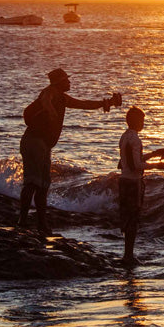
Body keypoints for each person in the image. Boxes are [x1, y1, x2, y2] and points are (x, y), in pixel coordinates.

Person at [19, 67, 121, 235]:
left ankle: (41, 224)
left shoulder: (62, 98)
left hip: (43, 145)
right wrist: (51, 112)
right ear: (60, 82)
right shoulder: (50, 91)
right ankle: (23, 221)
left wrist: (106, 103)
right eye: (67, 80)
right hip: (34, 143)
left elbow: (84, 104)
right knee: (32, 183)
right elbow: (45, 100)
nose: (69, 82)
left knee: (43, 186)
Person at [118, 106, 164, 267]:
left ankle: (127, 254)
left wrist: (154, 153)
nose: (143, 123)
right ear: (136, 121)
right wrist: (156, 166)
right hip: (133, 183)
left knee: (127, 218)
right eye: (142, 120)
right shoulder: (136, 140)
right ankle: (128, 256)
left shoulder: (124, 137)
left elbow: (124, 163)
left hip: (123, 181)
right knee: (133, 219)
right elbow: (136, 166)